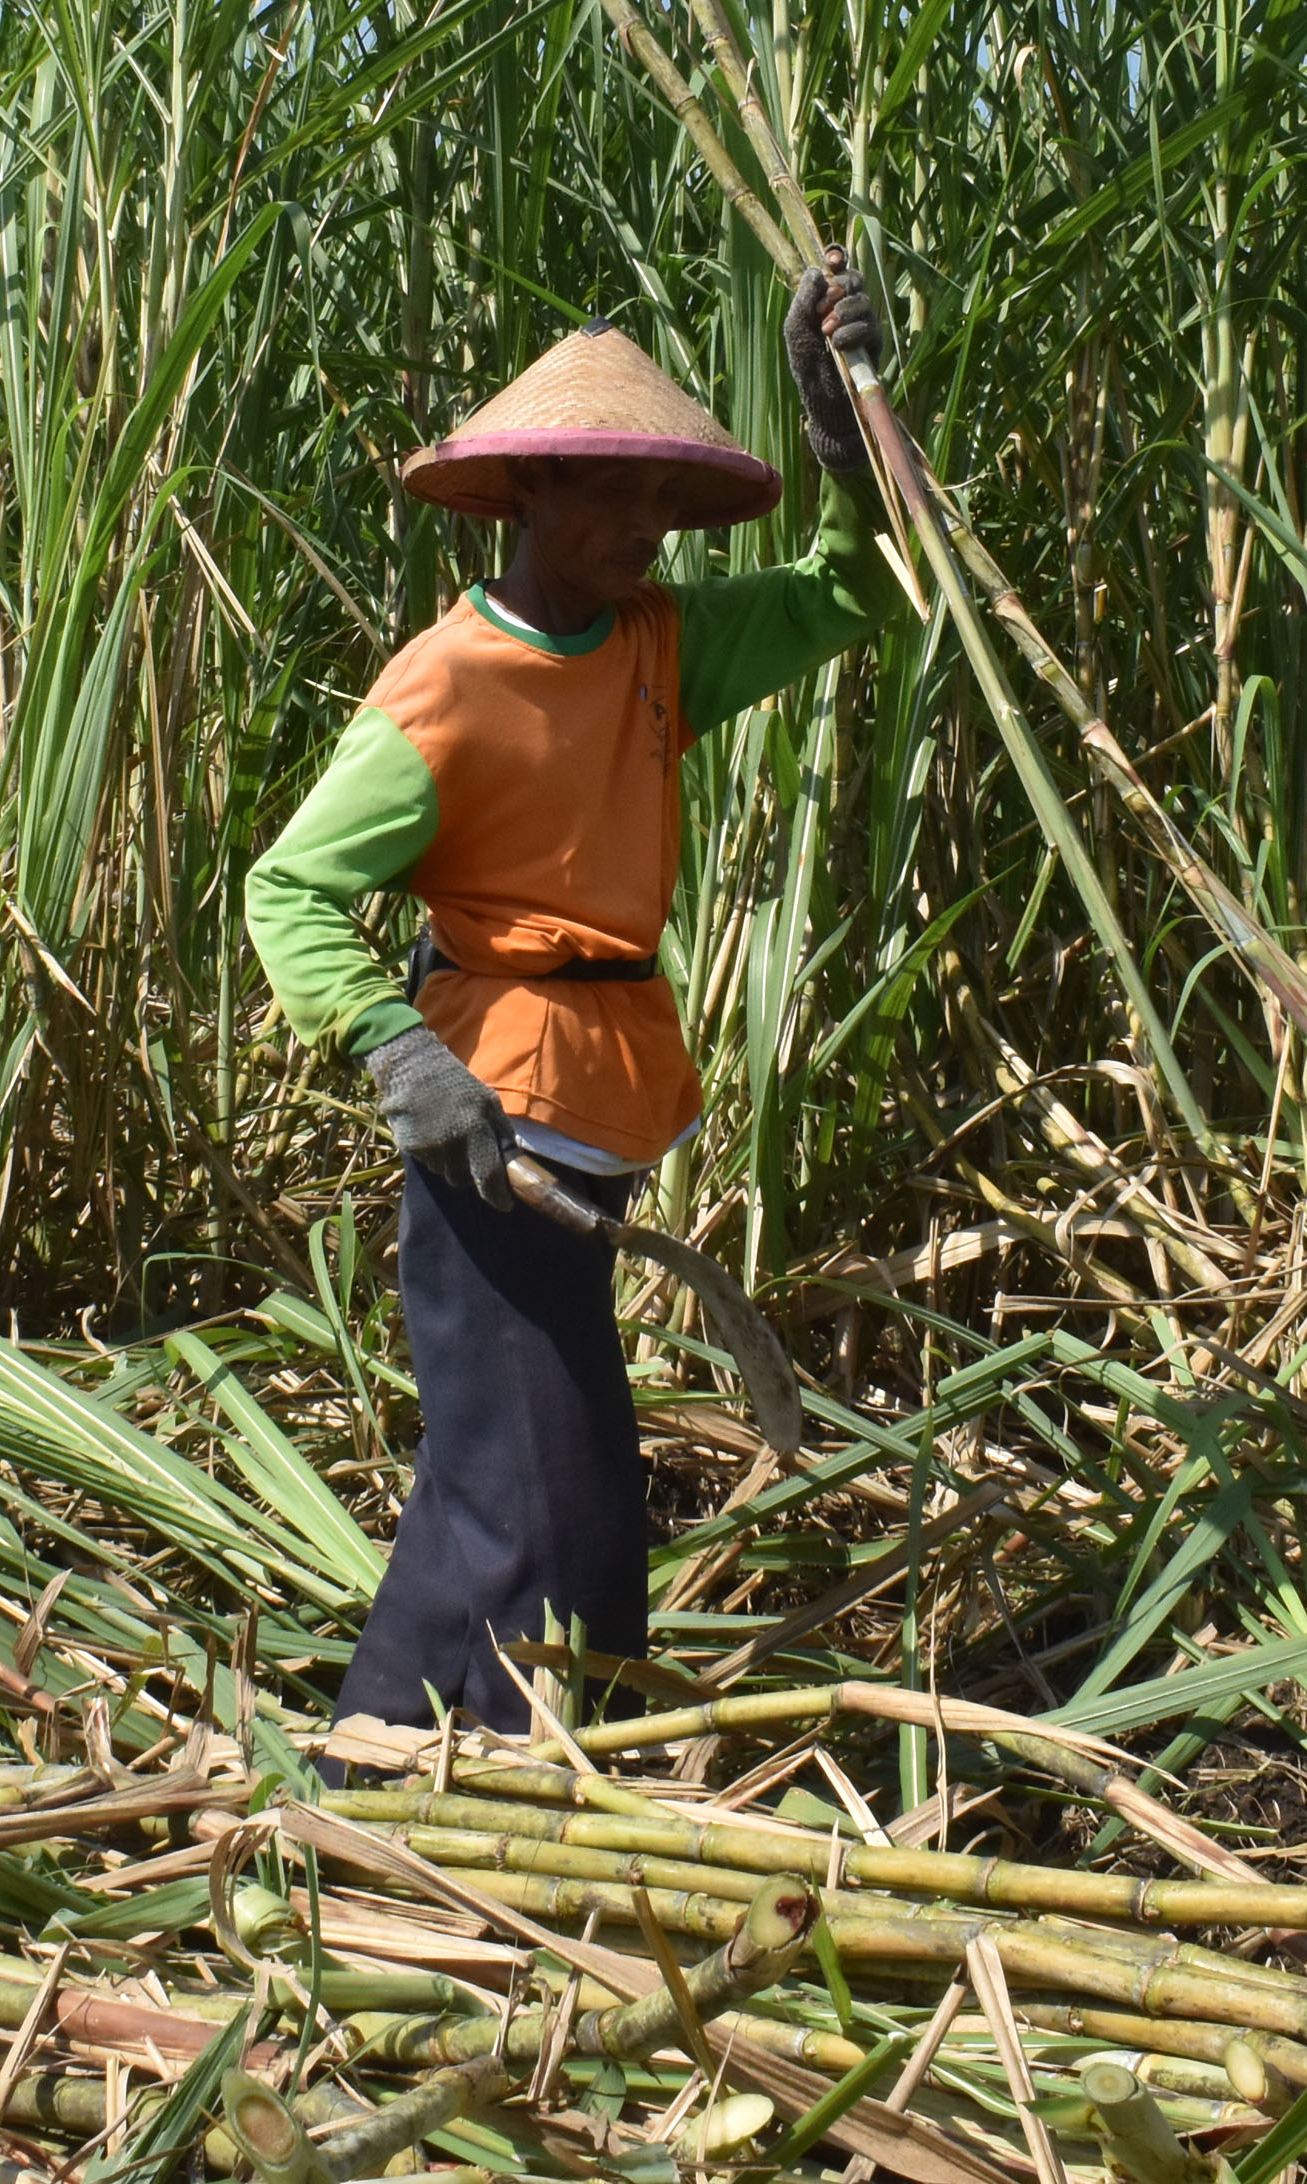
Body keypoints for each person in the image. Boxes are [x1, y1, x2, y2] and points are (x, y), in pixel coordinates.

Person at [244, 258, 901, 1736]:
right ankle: (443, 1767)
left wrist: (843, 434)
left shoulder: (660, 644)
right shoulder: (450, 688)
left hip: (597, 1087)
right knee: (541, 1479)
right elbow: (286, 889)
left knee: (534, 1469)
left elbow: (857, 591)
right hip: (491, 1105)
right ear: (529, 490)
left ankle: (472, 1766)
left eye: (663, 503)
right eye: (612, 497)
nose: (646, 533)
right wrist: (398, 1054)